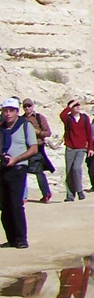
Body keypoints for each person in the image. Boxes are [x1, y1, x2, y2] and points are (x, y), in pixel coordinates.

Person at [0, 99, 38, 249]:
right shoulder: (1, 128)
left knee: (16, 204)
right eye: (5, 110)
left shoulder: (25, 125)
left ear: (17, 112)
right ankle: (11, 238)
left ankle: (21, 239)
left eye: (11, 110)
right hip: (2, 168)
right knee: (4, 205)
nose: (8, 114)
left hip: (18, 167)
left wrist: (17, 158)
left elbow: (33, 148)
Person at [58, 99, 92, 202]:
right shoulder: (68, 119)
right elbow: (61, 115)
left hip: (81, 148)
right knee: (69, 172)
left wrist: (90, 147)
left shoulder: (85, 118)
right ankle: (70, 195)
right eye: (74, 106)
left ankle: (79, 190)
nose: (77, 107)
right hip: (70, 148)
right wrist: (70, 105)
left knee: (76, 168)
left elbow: (89, 134)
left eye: (78, 105)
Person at [21, 99, 52, 203]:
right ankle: (23, 196)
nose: (27, 108)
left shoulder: (39, 118)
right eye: (25, 106)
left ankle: (46, 193)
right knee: (22, 170)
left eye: (29, 106)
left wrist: (37, 132)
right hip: (25, 148)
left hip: (38, 147)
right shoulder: (21, 119)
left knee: (38, 171)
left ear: (32, 106)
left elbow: (48, 132)